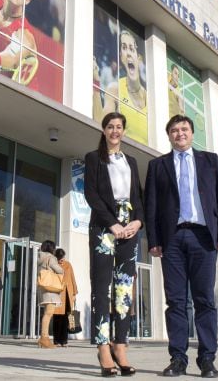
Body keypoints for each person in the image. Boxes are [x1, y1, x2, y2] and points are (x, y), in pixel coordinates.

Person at [145, 114, 218, 378]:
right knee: (176, 301)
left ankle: (207, 359)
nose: (179, 133)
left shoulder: (209, 160)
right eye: (174, 130)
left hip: (203, 237)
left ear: (192, 133)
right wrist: (154, 240)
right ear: (169, 135)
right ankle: (178, 359)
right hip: (171, 240)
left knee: (204, 299)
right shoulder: (157, 165)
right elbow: (151, 206)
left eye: (183, 129)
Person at [84, 112, 144, 377]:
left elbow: (138, 197)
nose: (115, 131)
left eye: (119, 127)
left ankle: (121, 346)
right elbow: (92, 194)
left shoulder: (130, 160)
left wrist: (138, 222)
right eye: (111, 126)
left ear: (123, 131)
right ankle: (103, 348)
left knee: (124, 292)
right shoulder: (94, 158)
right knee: (102, 289)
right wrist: (113, 224)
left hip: (129, 229)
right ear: (104, 129)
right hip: (103, 228)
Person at [95, 31, 148, 143]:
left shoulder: (150, 99)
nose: (128, 53)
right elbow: (101, 126)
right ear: (121, 57)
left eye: (132, 49)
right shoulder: (114, 89)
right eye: (124, 48)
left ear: (138, 58)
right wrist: (96, 83)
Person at [37, 240, 63, 349]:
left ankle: (44, 339)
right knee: (48, 314)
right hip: (51, 290)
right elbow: (59, 270)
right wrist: (60, 268)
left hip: (44, 288)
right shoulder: (51, 258)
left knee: (47, 314)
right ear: (51, 248)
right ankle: (44, 339)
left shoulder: (40, 257)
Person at [52, 248, 78, 347]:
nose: (62, 260)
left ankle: (64, 341)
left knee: (66, 318)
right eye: (60, 258)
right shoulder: (53, 265)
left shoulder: (68, 264)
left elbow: (72, 277)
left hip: (68, 294)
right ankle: (56, 341)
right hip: (58, 294)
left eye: (63, 257)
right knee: (57, 318)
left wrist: (74, 293)